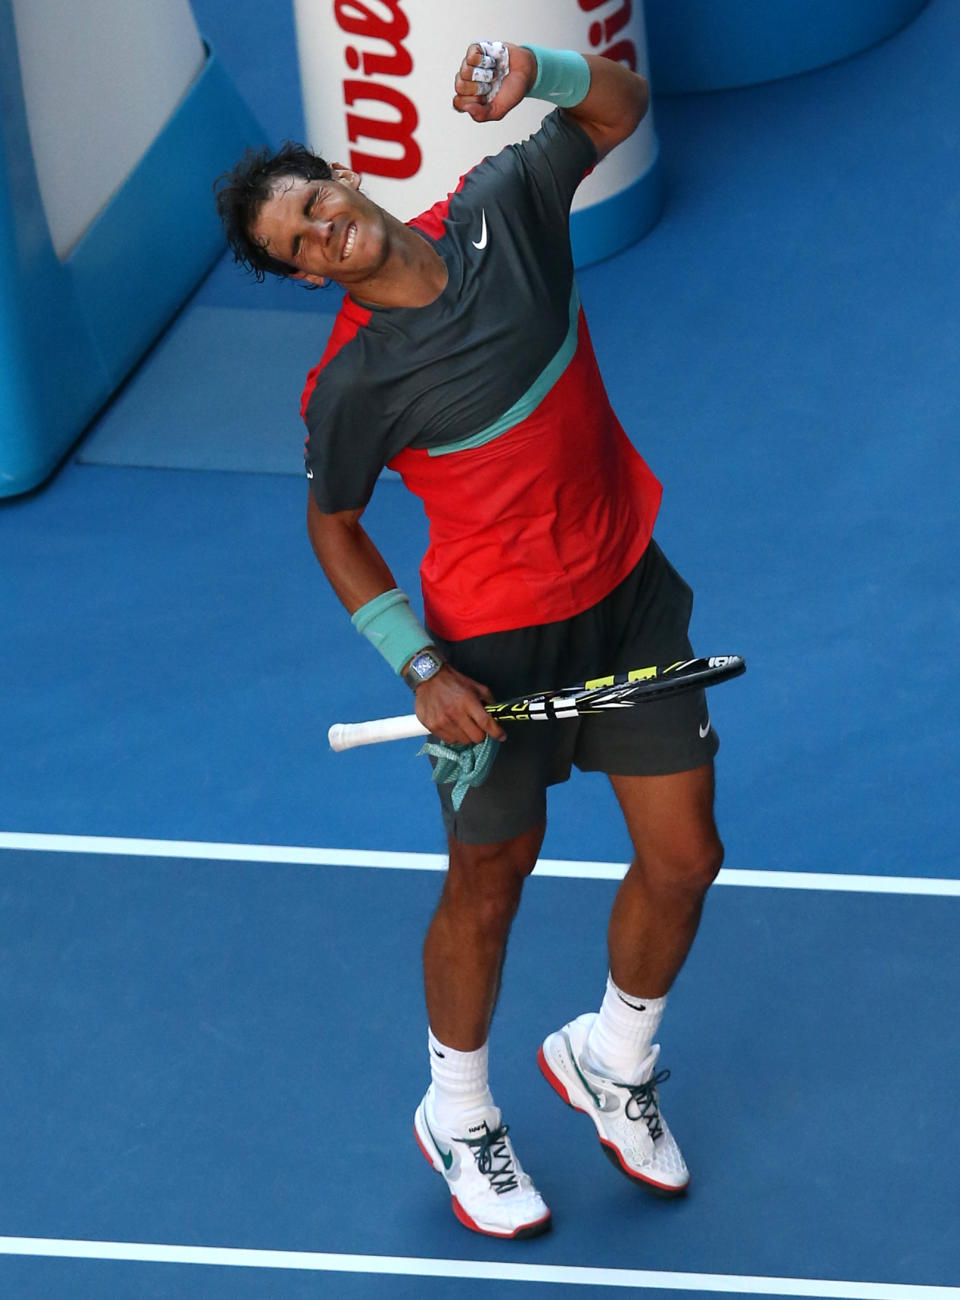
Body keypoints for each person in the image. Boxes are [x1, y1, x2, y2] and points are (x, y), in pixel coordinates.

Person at [215, 39, 724, 1241]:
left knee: (686, 854)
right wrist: (423, 665)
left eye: (315, 206)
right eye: (300, 246)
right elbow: (334, 528)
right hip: (492, 648)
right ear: (304, 275)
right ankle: (457, 1109)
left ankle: (616, 1056)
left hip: (629, 597)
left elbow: (620, 108)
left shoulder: (503, 202)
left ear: (343, 179)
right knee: (491, 878)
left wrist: (542, 69)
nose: (324, 233)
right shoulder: (349, 390)